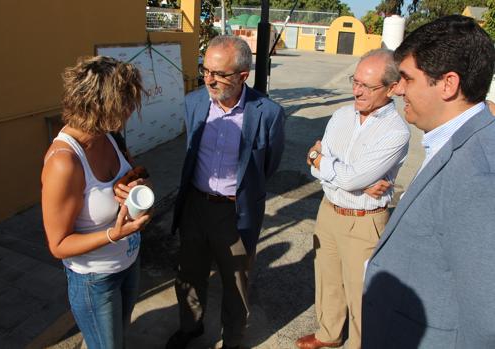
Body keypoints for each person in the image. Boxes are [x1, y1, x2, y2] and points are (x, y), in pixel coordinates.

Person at [362, 15, 495, 349]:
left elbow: (486, 321)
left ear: (448, 84)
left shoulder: (478, 175)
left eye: (407, 78)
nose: (398, 88)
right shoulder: (455, 143)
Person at [166, 35, 285, 349]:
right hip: (195, 204)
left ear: (243, 76)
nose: (209, 79)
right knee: (189, 274)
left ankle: (232, 339)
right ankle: (190, 327)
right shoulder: (194, 103)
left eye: (219, 74)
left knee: (235, 284)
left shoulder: (268, 113)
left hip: (235, 212)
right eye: (205, 70)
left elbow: (267, 165)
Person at [296, 49, 410, 349]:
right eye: (355, 81)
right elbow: (315, 163)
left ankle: (359, 344)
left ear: (391, 87)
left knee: (361, 292)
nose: (357, 91)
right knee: (328, 279)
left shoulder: (396, 131)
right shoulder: (340, 115)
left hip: (364, 222)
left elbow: (344, 175)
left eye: (367, 86)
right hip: (329, 210)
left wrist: (327, 164)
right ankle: (328, 334)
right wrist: (328, 165)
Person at [41, 56, 152, 349]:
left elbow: (131, 171)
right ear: (103, 106)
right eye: (127, 103)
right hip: (95, 280)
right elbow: (58, 244)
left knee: (116, 340)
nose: (131, 110)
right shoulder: (64, 162)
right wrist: (114, 234)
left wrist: (134, 183)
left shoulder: (109, 135)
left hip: (128, 262)